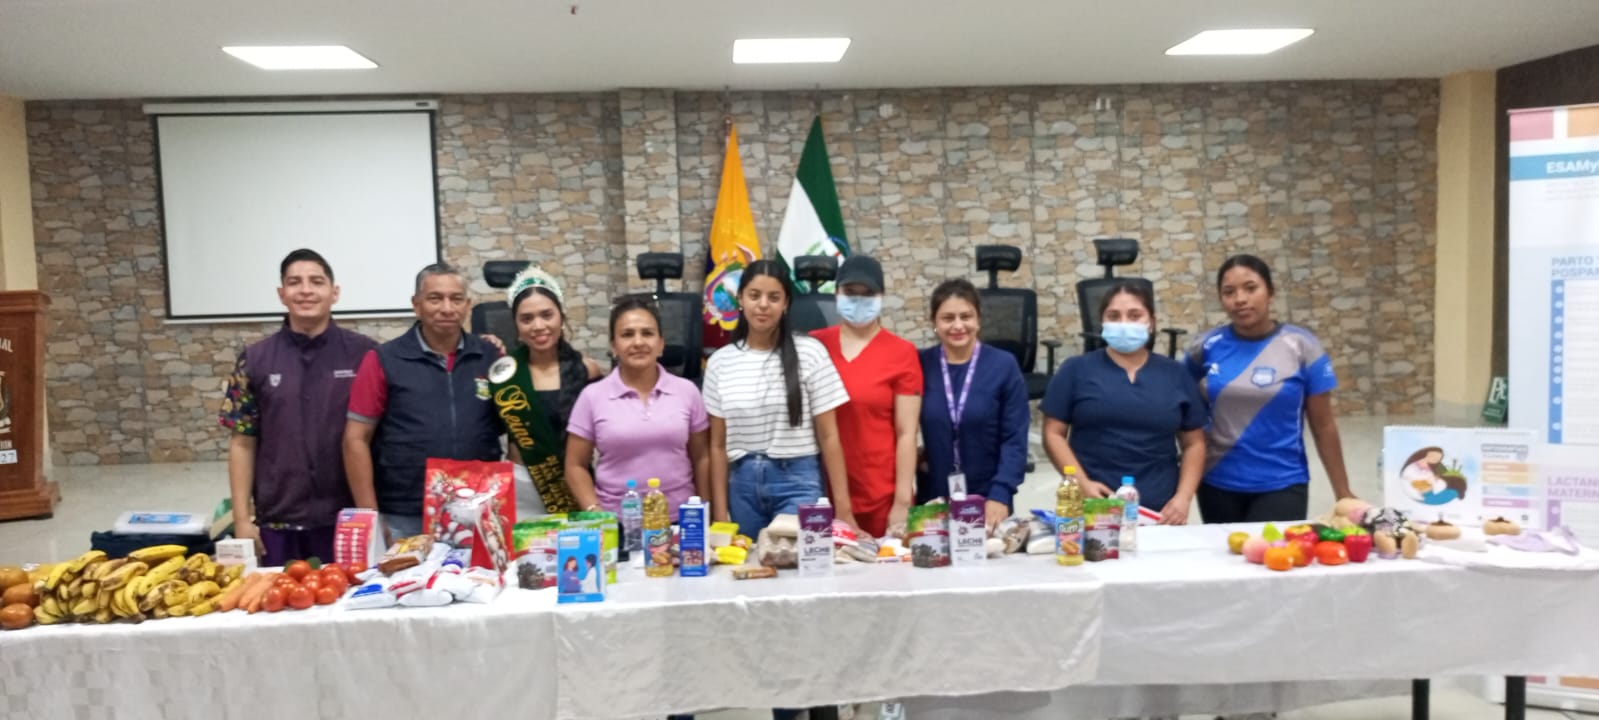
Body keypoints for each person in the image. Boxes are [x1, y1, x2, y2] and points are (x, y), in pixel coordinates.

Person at [219, 249, 376, 566]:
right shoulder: (255, 359)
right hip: (277, 521)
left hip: (347, 519)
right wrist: (241, 519)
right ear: (282, 294)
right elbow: (242, 443)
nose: (305, 290)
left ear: (334, 293)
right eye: (294, 282)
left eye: (316, 282)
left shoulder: (366, 355)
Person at [1185, 254, 1355, 523]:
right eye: (1229, 292)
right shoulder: (1204, 347)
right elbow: (1183, 412)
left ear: (1271, 293)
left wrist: (1343, 492)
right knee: (1224, 552)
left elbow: (1324, 426)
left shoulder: (1303, 346)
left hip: (1283, 482)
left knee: (1271, 550)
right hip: (1217, 482)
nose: (1240, 299)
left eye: (1250, 288)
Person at [343, 263, 506, 541]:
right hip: (406, 516)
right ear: (416, 305)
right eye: (435, 298)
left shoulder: (490, 356)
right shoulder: (383, 359)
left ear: (467, 306)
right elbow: (355, 439)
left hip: (477, 507)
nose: (447, 308)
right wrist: (369, 516)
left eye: (456, 299)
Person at [704, 259, 852, 536]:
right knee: (746, 561)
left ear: (785, 304)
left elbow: (829, 435)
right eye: (754, 295)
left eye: (774, 297)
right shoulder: (720, 362)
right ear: (740, 300)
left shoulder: (810, 352)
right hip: (742, 485)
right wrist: (720, 514)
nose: (763, 305)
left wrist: (844, 510)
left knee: (800, 561)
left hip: (798, 480)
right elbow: (717, 445)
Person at [1042, 282, 1207, 523]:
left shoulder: (1175, 374)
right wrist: (1081, 484)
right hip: (1094, 504)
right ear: (1102, 322)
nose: (1123, 323)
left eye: (1134, 315)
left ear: (1151, 322)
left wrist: (1183, 497)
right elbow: (1053, 434)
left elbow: (1194, 443)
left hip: (1162, 511)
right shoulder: (1076, 370)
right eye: (1113, 316)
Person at [810, 256, 922, 538]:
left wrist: (902, 501)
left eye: (868, 293)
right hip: (823, 490)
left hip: (882, 491)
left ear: (881, 296)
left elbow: (907, 432)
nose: (859, 300)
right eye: (850, 292)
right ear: (836, 293)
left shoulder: (902, 353)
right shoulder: (814, 346)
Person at [565, 297, 709, 517]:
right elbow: (575, 465)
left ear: (661, 344)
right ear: (613, 346)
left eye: (647, 333)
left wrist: (704, 512)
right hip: (616, 523)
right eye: (627, 334)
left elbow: (701, 458)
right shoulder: (592, 396)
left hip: (681, 520)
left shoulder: (687, 392)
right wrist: (595, 512)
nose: (638, 342)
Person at [916, 279, 1030, 530]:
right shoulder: (920, 364)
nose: (958, 325)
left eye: (966, 316)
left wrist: (1001, 493)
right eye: (948, 318)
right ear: (934, 322)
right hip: (932, 496)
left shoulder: (1003, 365)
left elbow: (1014, 437)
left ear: (978, 320)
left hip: (989, 497)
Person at [493, 265, 603, 519]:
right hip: (520, 489)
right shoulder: (504, 373)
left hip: (574, 487)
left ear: (561, 317)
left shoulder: (586, 370)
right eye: (527, 319)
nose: (538, 325)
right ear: (516, 325)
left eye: (546, 315)